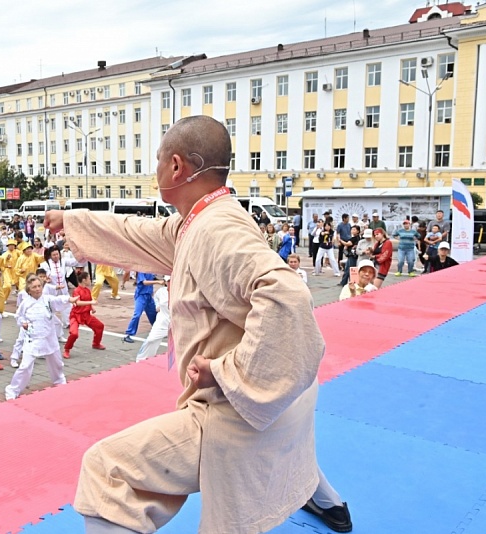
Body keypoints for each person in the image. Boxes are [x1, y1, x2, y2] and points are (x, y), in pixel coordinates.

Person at [45, 116, 350, 534]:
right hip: (289, 398)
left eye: (156, 161)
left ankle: (320, 494)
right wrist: (74, 220)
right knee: (293, 448)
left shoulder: (216, 229)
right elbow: (139, 233)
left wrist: (228, 371)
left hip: (240, 411)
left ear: (175, 166)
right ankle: (329, 502)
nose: (153, 172)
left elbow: (288, 296)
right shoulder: (201, 220)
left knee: (106, 469)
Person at [4, 274, 76, 400]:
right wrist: (23, 323)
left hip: (49, 337)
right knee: (25, 366)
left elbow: (59, 300)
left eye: (39, 286)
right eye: (34, 287)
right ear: (29, 290)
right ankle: (13, 389)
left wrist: (70, 299)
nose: (37, 289)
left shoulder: (48, 299)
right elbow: (19, 316)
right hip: (33, 338)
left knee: (57, 363)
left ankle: (59, 380)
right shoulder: (26, 303)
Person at [63, 272, 105, 360]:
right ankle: (67, 349)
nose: (90, 280)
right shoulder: (76, 290)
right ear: (84, 280)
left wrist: (92, 308)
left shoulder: (87, 290)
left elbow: (88, 300)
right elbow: (78, 303)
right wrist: (91, 303)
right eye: (89, 278)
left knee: (99, 326)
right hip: (76, 315)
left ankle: (96, 343)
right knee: (74, 334)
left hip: (86, 315)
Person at [135, 275, 170, 362]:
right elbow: (156, 299)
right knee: (151, 340)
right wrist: (157, 306)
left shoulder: (181, 292)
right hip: (163, 320)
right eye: (168, 281)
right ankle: (141, 360)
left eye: (171, 281)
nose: (169, 283)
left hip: (178, 322)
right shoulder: (161, 291)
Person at [121, 272, 160, 343]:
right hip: (141, 296)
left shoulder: (151, 270)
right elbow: (144, 282)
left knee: (153, 314)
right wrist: (158, 282)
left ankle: (158, 329)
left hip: (148, 296)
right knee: (137, 315)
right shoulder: (141, 271)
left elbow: (153, 278)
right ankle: (128, 334)